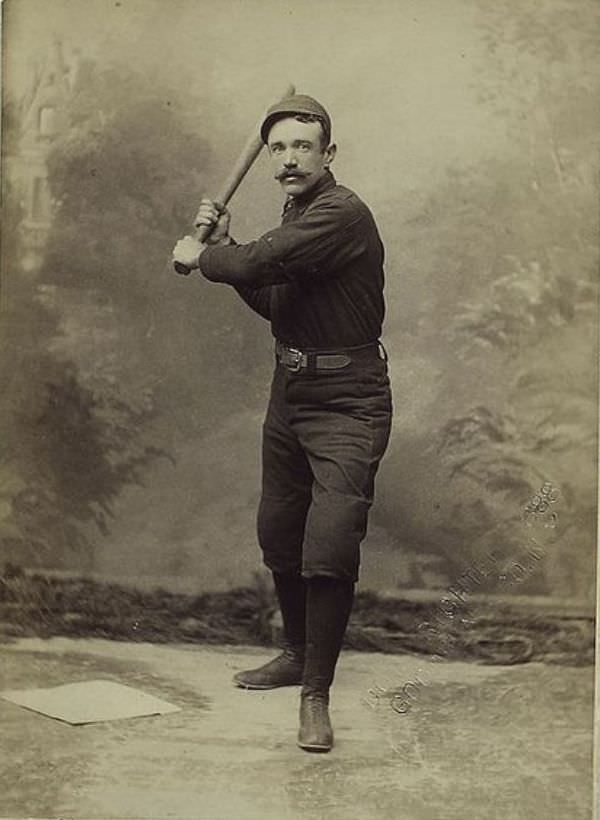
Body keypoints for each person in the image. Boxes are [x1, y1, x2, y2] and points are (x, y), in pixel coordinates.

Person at [172, 94, 392, 753]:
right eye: (280, 148)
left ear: (329, 154)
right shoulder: (297, 214)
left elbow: (262, 262)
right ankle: (295, 653)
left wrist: (201, 253)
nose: (290, 157)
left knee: (327, 545)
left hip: (350, 398)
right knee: (279, 531)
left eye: (304, 145)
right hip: (291, 391)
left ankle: (315, 696)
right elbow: (271, 296)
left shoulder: (340, 212)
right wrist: (229, 246)